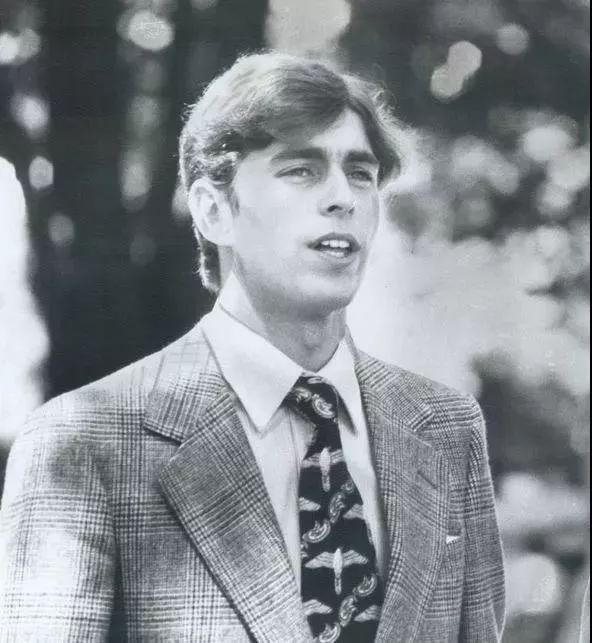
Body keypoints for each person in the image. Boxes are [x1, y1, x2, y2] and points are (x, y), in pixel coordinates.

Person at [0, 52, 505, 642]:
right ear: (214, 211)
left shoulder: (446, 428)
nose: (343, 197)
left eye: (360, 173)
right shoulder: (86, 441)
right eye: (301, 170)